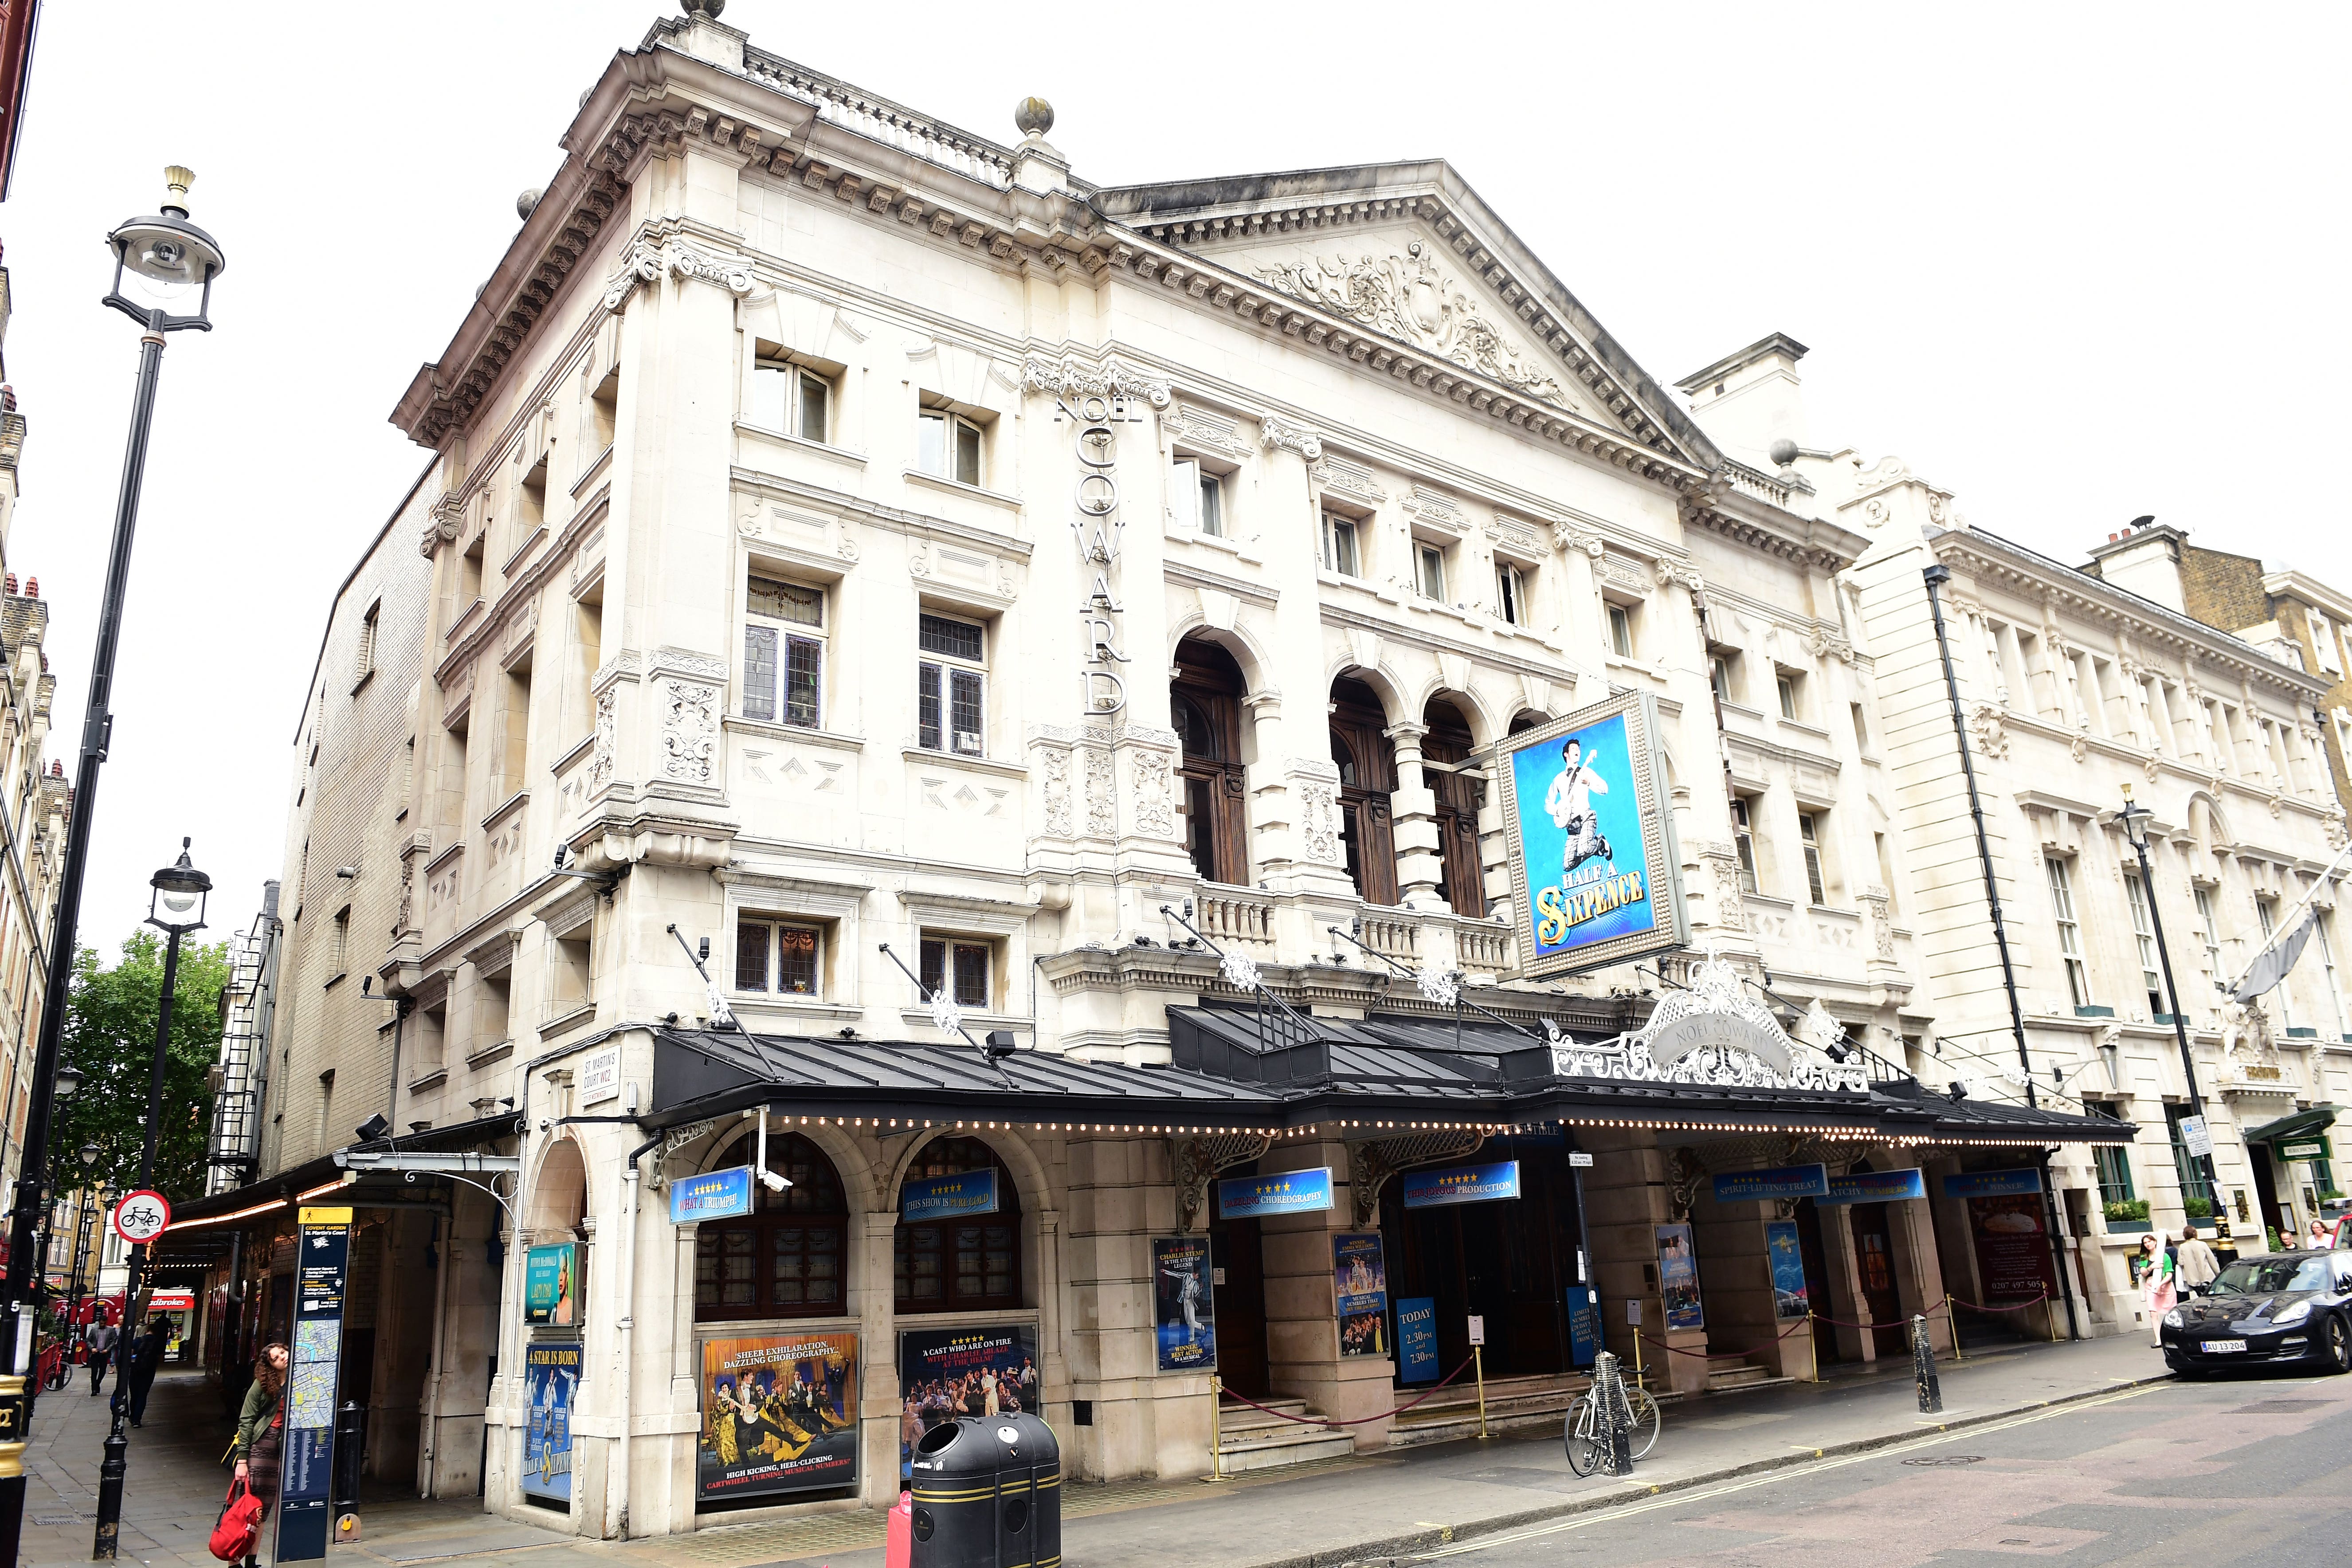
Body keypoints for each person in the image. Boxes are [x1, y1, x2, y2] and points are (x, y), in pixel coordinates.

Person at [232, 1341, 290, 1566]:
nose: (282, 1358)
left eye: (283, 1352)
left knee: (264, 1510)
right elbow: (246, 1421)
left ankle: (251, 1562)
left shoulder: (300, 1378)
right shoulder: (262, 1385)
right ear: (270, 1364)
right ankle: (234, 1561)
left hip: (285, 1447)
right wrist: (243, 1459)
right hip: (262, 1448)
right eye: (276, 1358)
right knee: (251, 1509)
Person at [1543, 737, 1611, 876]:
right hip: (1571, 826)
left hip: (1587, 817)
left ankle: (1601, 843)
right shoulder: (1558, 779)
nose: (1577, 751)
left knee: (1585, 849)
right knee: (1568, 865)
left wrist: (1589, 783)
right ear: (1566, 754)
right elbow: (1547, 804)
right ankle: (1597, 848)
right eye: (1574, 749)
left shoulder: (1586, 772)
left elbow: (1605, 789)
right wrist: (1558, 810)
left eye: (1579, 749)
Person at [122, 1317, 169, 1427]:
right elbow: (161, 1358)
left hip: (135, 1371)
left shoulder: (138, 1341)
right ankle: (137, 1420)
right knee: (143, 1395)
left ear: (147, 1329)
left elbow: (129, 1354)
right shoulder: (158, 1343)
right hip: (149, 1372)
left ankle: (132, 1415)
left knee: (134, 1395)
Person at [2136, 1233, 2175, 1345]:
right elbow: (2143, 1272)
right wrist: (2152, 1267)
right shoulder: (2144, 1257)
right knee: (2153, 1312)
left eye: (2150, 1241)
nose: (2148, 1244)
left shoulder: (2165, 1256)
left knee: (2169, 1312)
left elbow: (2169, 1274)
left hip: (2165, 1285)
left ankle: (2172, 1336)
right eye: (2145, 1243)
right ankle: (2159, 1339)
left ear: (2155, 1242)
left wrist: (2161, 1284)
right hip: (2150, 1284)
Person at [2175, 1225, 2220, 1294]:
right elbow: (2212, 1261)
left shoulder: (2182, 1247)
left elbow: (2180, 1262)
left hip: (2192, 1279)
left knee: (2201, 1296)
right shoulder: (2203, 1244)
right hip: (2207, 1277)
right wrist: (2218, 1274)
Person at [84, 1315, 117, 1397]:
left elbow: (114, 1340)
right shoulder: (94, 1330)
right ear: (99, 1322)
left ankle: (97, 1383)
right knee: (94, 1372)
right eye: (101, 1323)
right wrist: (92, 1348)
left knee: (102, 1371)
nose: (102, 1325)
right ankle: (94, 1390)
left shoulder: (111, 1330)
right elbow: (88, 1340)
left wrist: (108, 1349)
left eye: (104, 1323)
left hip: (104, 1353)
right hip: (95, 1353)